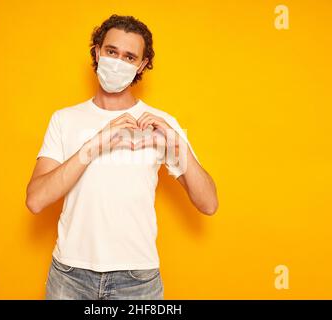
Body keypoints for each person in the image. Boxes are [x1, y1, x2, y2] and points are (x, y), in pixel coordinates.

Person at [26, 14, 218, 300]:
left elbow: (209, 203)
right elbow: (36, 200)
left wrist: (178, 144)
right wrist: (93, 145)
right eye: (112, 51)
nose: (118, 61)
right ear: (97, 52)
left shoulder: (161, 123)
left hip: (137, 281)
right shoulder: (64, 120)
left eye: (129, 57)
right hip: (70, 277)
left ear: (141, 65)